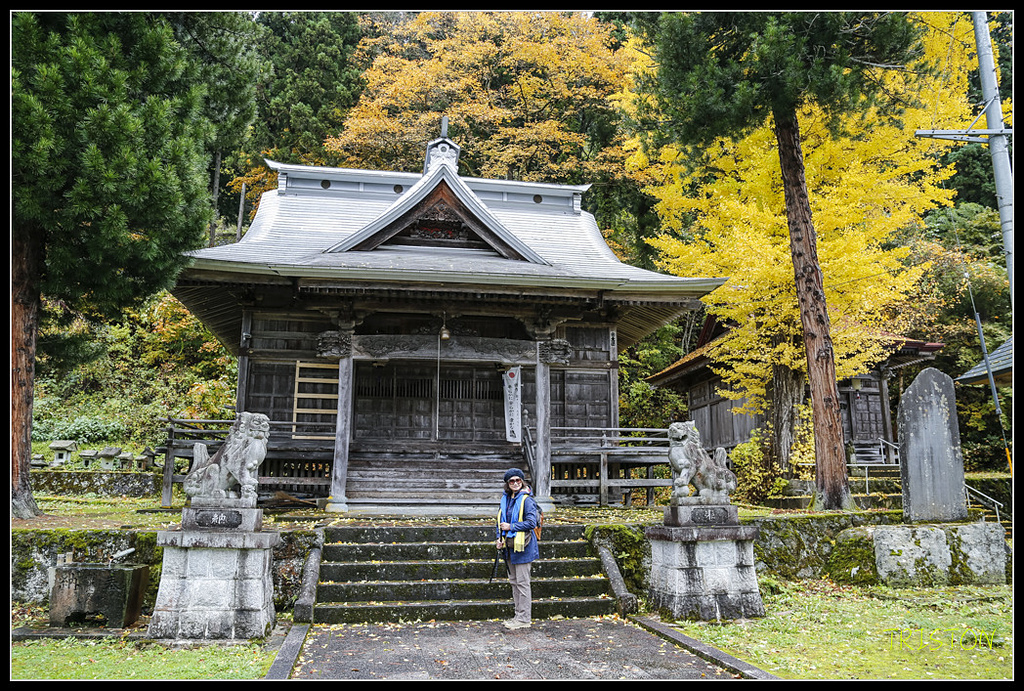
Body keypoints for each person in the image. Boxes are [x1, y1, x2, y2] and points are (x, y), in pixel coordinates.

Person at [496, 467, 540, 629]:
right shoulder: (506, 499)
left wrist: (510, 527)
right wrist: (499, 537)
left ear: (522, 482)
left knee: (522, 583)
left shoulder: (527, 500)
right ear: (508, 484)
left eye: (518, 480)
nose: (515, 483)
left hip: (524, 546)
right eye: (512, 481)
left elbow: (531, 523)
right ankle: (518, 615)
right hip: (509, 546)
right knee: (514, 582)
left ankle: (524, 619)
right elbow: (500, 520)